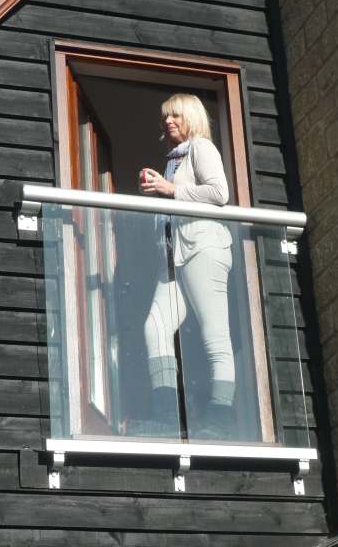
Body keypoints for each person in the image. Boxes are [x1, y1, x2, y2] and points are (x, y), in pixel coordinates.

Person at [139, 93, 235, 438]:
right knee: (155, 327)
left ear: (191, 118)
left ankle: (220, 418)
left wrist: (170, 189)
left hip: (203, 248)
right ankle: (166, 415)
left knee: (214, 334)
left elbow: (219, 193)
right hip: (176, 256)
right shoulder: (174, 159)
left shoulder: (201, 149)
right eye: (166, 116)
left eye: (176, 115)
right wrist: (163, 189)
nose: (168, 121)